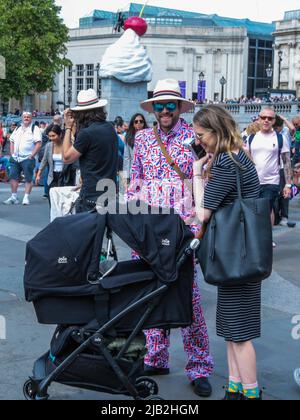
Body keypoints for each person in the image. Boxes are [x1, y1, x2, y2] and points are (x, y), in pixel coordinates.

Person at [128, 79, 214, 398]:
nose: (165, 111)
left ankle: (199, 366)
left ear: (179, 108)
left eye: (170, 105)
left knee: (187, 298)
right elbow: (136, 177)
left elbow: (206, 177)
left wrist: (198, 218)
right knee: (150, 295)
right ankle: (156, 357)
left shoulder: (194, 138)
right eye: (160, 106)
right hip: (149, 228)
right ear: (154, 109)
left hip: (181, 230)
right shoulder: (143, 138)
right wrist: (132, 213)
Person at [193, 105, 263, 400]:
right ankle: (235, 388)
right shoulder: (238, 158)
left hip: (236, 256)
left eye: (200, 135)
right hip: (241, 254)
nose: (198, 141)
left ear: (216, 131)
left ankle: (250, 393)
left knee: (240, 334)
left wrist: (197, 175)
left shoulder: (226, 163)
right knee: (233, 329)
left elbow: (202, 213)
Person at [62, 88, 118, 213]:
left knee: (86, 231)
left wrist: (67, 127)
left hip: (92, 196)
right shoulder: (110, 128)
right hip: (110, 193)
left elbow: (66, 158)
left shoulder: (87, 134)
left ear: (81, 113)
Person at [246, 107, 292, 246]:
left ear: (273, 121)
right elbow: (247, 159)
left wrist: (288, 184)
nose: (266, 120)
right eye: (263, 117)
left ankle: (267, 237)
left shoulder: (280, 137)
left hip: (271, 181)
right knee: (253, 211)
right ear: (259, 119)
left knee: (267, 209)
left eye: (270, 118)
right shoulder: (251, 137)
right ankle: (254, 238)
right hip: (253, 181)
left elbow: (286, 161)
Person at [3, 112, 41, 206]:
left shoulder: (35, 128)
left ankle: (26, 197)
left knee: (28, 178)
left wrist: (32, 155)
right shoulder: (18, 128)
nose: (26, 118)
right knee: (13, 177)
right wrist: (12, 154)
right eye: (24, 117)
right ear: (22, 118)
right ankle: (14, 197)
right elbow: (11, 141)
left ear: (31, 118)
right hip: (16, 158)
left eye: (28, 117)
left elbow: (38, 143)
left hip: (27, 158)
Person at [35, 124, 76, 204]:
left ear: (60, 134)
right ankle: (53, 216)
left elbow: (74, 161)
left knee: (64, 201)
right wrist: (38, 174)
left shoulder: (68, 145)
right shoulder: (49, 146)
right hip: (52, 176)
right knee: (53, 201)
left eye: (53, 136)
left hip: (65, 176)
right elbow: (44, 160)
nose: (51, 138)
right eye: (49, 136)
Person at [123, 113, 148, 182]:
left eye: (141, 121)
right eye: (136, 121)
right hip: (133, 174)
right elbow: (126, 158)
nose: (138, 123)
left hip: (147, 173)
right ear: (133, 124)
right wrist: (126, 177)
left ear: (144, 123)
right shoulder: (128, 138)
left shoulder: (149, 137)